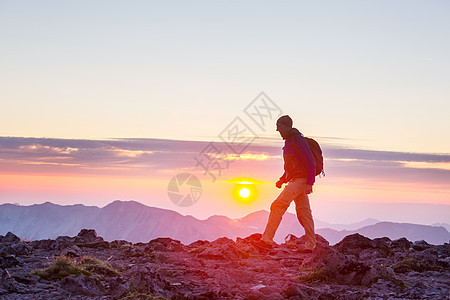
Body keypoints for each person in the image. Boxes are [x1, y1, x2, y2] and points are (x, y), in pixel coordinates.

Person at [253, 115, 317, 253]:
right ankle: (311, 246)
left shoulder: (298, 139)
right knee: (304, 213)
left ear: (287, 126)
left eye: (279, 127)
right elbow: (291, 167)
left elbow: (310, 160)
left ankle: (266, 241)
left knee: (277, 205)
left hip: (301, 181)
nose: (278, 131)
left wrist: (310, 183)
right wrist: (282, 180)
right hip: (296, 180)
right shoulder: (288, 142)